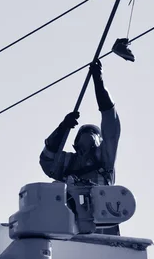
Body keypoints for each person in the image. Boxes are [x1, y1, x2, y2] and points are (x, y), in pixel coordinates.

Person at [39, 60, 121, 234]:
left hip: (102, 229)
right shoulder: (68, 163)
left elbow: (109, 119)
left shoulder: (105, 162)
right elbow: (47, 160)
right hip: (72, 230)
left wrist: (98, 82)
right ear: (76, 145)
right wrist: (62, 128)